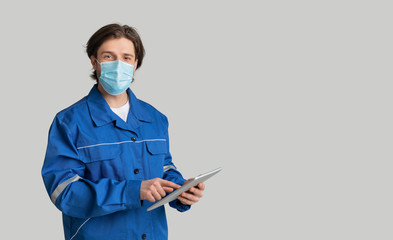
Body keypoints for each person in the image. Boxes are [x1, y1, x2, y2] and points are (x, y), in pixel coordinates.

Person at [41, 23, 205, 240]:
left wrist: (180, 190)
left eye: (127, 57)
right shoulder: (69, 122)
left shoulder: (155, 119)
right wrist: (132, 191)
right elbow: (63, 192)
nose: (119, 64)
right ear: (94, 61)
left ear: (136, 64)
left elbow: (164, 167)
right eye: (109, 56)